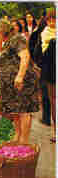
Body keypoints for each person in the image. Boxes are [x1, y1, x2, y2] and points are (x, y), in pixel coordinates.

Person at [0, 19, 39, 144]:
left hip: (22, 82)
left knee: (24, 110)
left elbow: (25, 56)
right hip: (11, 84)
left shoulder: (17, 39)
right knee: (15, 110)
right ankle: (17, 136)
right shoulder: (8, 42)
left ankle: (24, 140)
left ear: (2, 31)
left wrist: (20, 76)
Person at [38, 8, 56, 139]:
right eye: (49, 19)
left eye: (54, 19)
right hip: (51, 70)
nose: (52, 22)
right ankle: (56, 131)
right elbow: (43, 53)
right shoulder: (44, 33)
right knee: (53, 100)